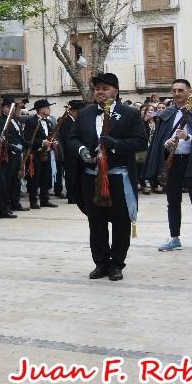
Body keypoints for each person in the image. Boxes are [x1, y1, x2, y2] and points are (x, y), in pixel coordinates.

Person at [65, 73, 148, 282]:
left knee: (121, 223)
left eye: (104, 88)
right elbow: (72, 138)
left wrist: (116, 144)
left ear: (116, 91)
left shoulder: (129, 114)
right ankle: (101, 263)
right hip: (91, 177)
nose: (99, 92)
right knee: (96, 222)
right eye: (97, 89)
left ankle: (116, 264)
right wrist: (82, 150)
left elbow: (140, 141)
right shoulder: (84, 114)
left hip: (117, 176)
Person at [144, 79, 192, 256]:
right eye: (174, 90)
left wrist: (188, 137)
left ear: (189, 91)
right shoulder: (166, 114)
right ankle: (174, 238)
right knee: (173, 202)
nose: (177, 93)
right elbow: (158, 140)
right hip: (172, 162)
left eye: (180, 90)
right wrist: (166, 143)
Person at [23, 100, 58, 209]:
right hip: (35, 153)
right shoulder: (31, 122)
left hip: (46, 153)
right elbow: (28, 139)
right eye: (47, 107)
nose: (49, 109)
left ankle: (44, 199)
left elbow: (49, 136)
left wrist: (53, 142)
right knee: (35, 177)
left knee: (46, 177)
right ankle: (33, 201)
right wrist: (42, 142)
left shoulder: (48, 121)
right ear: (41, 109)